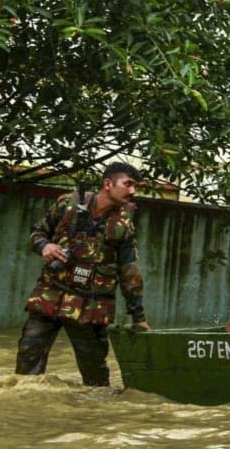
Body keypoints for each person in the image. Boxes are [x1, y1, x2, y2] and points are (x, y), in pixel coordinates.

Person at [17, 162, 149, 386]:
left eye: (134, 186)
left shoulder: (123, 225)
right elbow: (37, 232)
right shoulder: (67, 204)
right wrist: (45, 247)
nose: (132, 191)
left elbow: (129, 272)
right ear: (108, 184)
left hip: (90, 306)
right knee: (27, 362)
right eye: (128, 184)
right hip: (50, 295)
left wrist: (139, 318)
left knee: (95, 377)